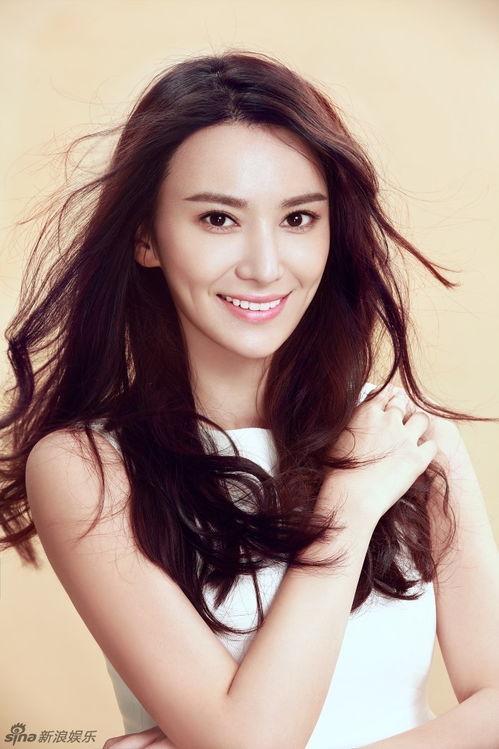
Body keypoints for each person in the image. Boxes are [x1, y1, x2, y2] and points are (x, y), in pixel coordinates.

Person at [1, 49, 498, 749]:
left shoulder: (403, 436)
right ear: (145, 236)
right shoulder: (87, 467)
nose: (265, 267)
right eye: (217, 219)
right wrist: (347, 508)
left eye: (298, 219)